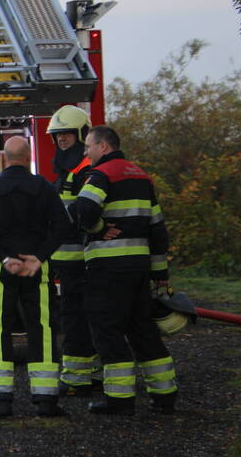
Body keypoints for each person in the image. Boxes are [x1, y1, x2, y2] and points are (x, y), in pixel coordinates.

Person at [73, 125, 178, 415]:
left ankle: (119, 400)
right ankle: (164, 394)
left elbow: (83, 209)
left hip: (108, 267)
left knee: (108, 330)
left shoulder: (102, 174)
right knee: (143, 329)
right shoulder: (142, 177)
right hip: (139, 269)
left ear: (104, 147)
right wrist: (159, 276)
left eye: (88, 147)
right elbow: (158, 230)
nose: (86, 153)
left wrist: (99, 228)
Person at [0, 136, 71, 417]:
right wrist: (38, 257)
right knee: (44, 330)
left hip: (3, 272)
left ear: (4, 159)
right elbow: (62, 226)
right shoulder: (45, 188)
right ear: (28, 158)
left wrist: (5, 258)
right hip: (37, 271)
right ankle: (46, 400)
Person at [46, 105, 100, 395]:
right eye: (57, 136)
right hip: (69, 262)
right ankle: (83, 375)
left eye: (66, 134)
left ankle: (80, 378)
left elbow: (83, 216)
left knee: (80, 319)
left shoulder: (85, 172)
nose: (61, 140)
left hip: (85, 262)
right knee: (75, 318)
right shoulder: (69, 171)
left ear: (81, 135)